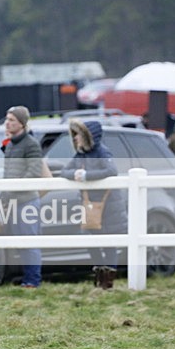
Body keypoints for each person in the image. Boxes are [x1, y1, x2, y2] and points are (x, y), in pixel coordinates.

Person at [60, 119, 127, 289]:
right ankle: (99, 274)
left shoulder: (102, 151)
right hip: (90, 206)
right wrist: (76, 174)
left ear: (88, 136)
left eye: (78, 135)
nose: (75, 138)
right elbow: (64, 171)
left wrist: (87, 176)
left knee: (109, 243)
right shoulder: (81, 154)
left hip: (109, 205)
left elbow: (111, 171)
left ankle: (107, 282)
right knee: (90, 240)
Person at [0, 105, 43, 288]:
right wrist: (4, 194)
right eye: (7, 119)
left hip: (27, 201)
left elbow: (34, 172)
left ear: (22, 123)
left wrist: (12, 189)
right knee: (20, 244)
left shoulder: (31, 144)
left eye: (12, 120)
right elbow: (8, 173)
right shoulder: (10, 144)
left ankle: (33, 280)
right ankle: (26, 279)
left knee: (29, 243)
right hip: (12, 202)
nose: (7, 123)